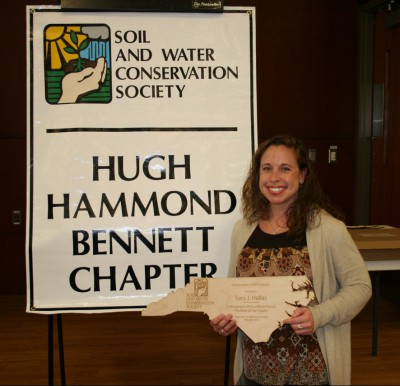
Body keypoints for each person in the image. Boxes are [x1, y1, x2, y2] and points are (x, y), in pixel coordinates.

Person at [210, 134, 372, 385]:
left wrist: (319, 315)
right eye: (267, 169)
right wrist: (225, 320)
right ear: (258, 176)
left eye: (285, 168)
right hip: (254, 373)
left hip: (312, 375)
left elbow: (360, 287)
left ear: (302, 175)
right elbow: (235, 293)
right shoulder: (242, 229)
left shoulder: (328, 229)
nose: (274, 177)